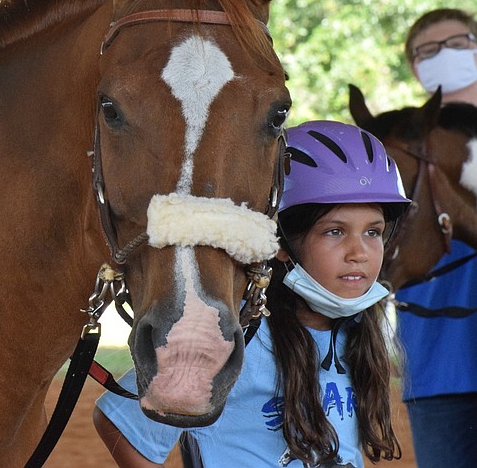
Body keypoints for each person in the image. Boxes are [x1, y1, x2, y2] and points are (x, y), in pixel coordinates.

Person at [93, 120, 410, 467]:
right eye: (335, 231)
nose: (359, 252)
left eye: (373, 232)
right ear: (282, 245)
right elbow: (120, 423)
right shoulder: (237, 336)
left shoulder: (355, 331)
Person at [396, 8, 477, 467]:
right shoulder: (397, 150)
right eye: (428, 51)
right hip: (437, 364)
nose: (443, 56)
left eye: (457, 43)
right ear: (415, 68)